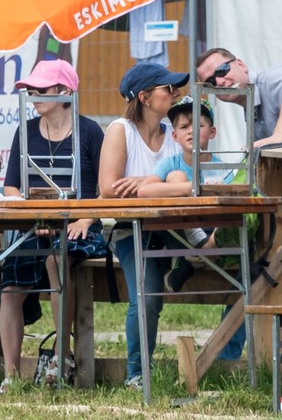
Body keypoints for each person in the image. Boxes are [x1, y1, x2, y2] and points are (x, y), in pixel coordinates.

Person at [0, 60, 106, 393]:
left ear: (65, 92)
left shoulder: (90, 132)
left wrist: (85, 219)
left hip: (80, 226)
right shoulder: (25, 131)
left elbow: (105, 187)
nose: (33, 95)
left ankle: (62, 357)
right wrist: (36, 217)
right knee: (9, 286)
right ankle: (10, 376)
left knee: (56, 259)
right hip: (35, 225)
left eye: (41, 89)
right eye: (31, 90)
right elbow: (11, 187)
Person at [98, 62, 187, 389]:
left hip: (177, 229)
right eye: (169, 88)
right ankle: (137, 375)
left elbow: (191, 181)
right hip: (133, 230)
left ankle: (226, 361)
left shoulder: (175, 132)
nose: (177, 93)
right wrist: (154, 183)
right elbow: (108, 188)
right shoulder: (120, 130)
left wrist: (142, 183)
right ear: (145, 97)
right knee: (147, 297)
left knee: (241, 272)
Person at [139, 96, 247, 360]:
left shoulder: (223, 167)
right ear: (174, 136)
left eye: (197, 125)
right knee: (175, 179)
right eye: (184, 127)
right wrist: (191, 190)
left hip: (219, 238)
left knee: (253, 275)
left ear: (211, 132)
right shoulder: (173, 164)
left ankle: (225, 358)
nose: (191, 131)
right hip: (183, 236)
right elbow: (144, 190)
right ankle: (194, 254)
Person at [195, 47, 282, 148]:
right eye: (211, 81)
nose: (219, 82)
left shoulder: (271, 79)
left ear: (241, 65)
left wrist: (279, 135)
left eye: (222, 71)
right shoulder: (250, 105)